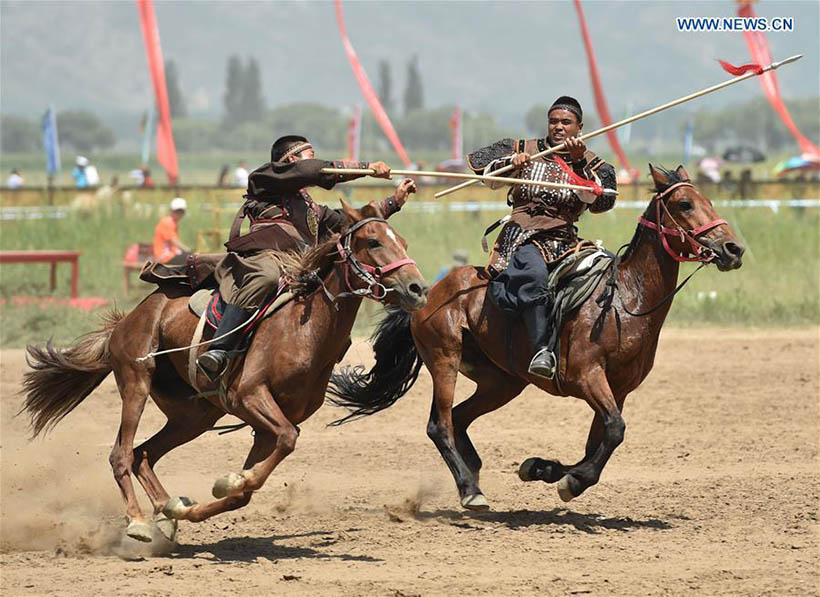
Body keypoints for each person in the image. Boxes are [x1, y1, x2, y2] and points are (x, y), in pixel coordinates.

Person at [196, 134, 416, 382]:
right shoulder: (265, 180)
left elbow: (346, 222)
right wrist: (366, 168)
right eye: (311, 156)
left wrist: (393, 201)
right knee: (267, 277)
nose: (315, 162)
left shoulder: (309, 206)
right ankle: (219, 349)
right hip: (267, 257)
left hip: (298, 264)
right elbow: (308, 170)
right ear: (291, 159)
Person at [466, 96, 616, 379]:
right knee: (534, 275)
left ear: (579, 127)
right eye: (554, 121)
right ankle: (541, 351)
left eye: (566, 122)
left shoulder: (593, 163)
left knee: (609, 270)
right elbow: (480, 165)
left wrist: (579, 161)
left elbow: (602, 202)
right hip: (522, 235)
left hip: (565, 239)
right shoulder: (525, 149)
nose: (558, 127)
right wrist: (512, 162)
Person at [153, 197, 191, 265]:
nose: (178, 214)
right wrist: (187, 250)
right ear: (172, 211)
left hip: (171, 254)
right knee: (190, 258)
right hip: (164, 256)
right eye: (176, 211)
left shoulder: (173, 222)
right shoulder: (167, 222)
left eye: (181, 212)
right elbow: (173, 241)